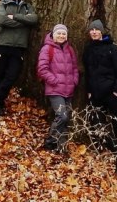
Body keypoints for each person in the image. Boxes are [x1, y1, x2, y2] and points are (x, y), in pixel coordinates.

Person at [83, 19, 117, 175]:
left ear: (102, 31)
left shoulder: (112, 48)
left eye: (97, 30)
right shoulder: (88, 49)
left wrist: (116, 90)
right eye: (92, 30)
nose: (94, 32)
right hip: (95, 94)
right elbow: (88, 72)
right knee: (96, 124)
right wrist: (89, 90)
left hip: (111, 94)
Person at [0, 0, 38, 118]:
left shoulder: (26, 6)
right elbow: (1, 20)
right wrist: (23, 22)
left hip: (19, 46)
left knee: (12, 75)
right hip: (3, 43)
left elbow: (34, 19)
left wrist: (15, 17)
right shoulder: (3, 3)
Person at [36, 24, 80, 152]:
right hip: (55, 90)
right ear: (53, 35)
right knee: (62, 116)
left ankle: (61, 145)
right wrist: (54, 81)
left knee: (66, 118)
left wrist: (74, 80)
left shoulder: (69, 49)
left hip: (69, 90)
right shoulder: (47, 49)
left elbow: (75, 67)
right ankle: (50, 142)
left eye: (63, 34)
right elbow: (42, 69)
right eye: (59, 33)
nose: (61, 36)